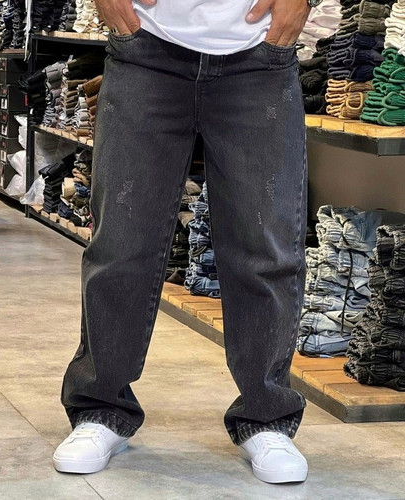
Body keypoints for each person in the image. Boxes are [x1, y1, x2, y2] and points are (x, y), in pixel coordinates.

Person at [53, 0, 314, 484]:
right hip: (146, 46)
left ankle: (267, 415)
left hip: (258, 51)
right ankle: (101, 407)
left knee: (265, 248)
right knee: (121, 243)